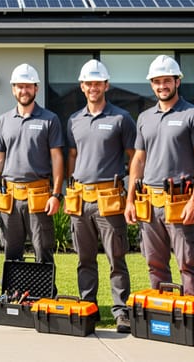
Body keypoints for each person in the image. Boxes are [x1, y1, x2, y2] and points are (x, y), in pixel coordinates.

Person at [125, 55, 194, 296]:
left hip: (180, 202)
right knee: (155, 264)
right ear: (151, 84)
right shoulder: (144, 118)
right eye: (157, 81)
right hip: (149, 202)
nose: (162, 86)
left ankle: (192, 319)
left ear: (177, 81)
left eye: (166, 80)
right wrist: (130, 199)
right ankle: (165, 317)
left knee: (187, 264)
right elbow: (138, 159)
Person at [65, 58, 135, 333]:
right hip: (80, 198)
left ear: (106, 85)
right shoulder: (74, 120)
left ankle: (121, 311)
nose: (93, 87)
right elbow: (72, 156)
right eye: (88, 83)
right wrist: (71, 187)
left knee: (116, 258)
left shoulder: (121, 118)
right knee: (85, 258)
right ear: (82, 87)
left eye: (98, 83)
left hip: (109, 197)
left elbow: (134, 156)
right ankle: (89, 307)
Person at [0, 63, 63, 267]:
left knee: (43, 251)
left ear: (36, 88)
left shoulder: (50, 120)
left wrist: (55, 195)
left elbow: (57, 158)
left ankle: (45, 296)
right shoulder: (4, 120)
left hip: (39, 196)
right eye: (19, 86)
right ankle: (12, 297)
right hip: (9, 198)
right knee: (11, 253)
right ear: (13, 89)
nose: (24, 91)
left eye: (28, 86)